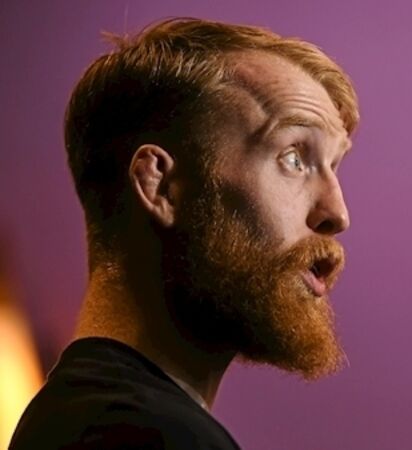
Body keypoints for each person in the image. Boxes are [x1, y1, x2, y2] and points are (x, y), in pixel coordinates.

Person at [10, 17, 359, 449]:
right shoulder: (142, 434)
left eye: (334, 166)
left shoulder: (78, 418)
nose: (337, 214)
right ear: (162, 186)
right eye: (293, 158)